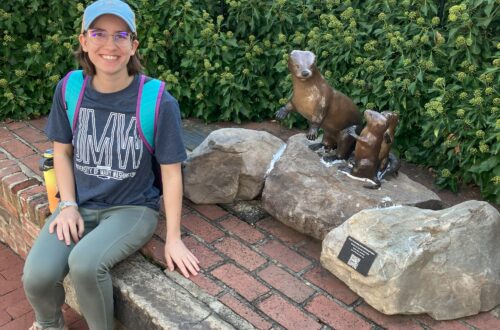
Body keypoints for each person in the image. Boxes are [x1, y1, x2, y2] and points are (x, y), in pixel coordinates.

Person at [22, 1, 200, 329]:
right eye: (98, 33)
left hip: (131, 210)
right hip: (80, 204)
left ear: (133, 46)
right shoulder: (70, 88)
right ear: (84, 41)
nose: (109, 45)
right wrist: (69, 205)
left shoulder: (157, 101)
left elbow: (171, 173)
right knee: (36, 276)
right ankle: (49, 325)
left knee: (86, 265)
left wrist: (174, 237)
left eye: (120, 35)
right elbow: (61, 153)